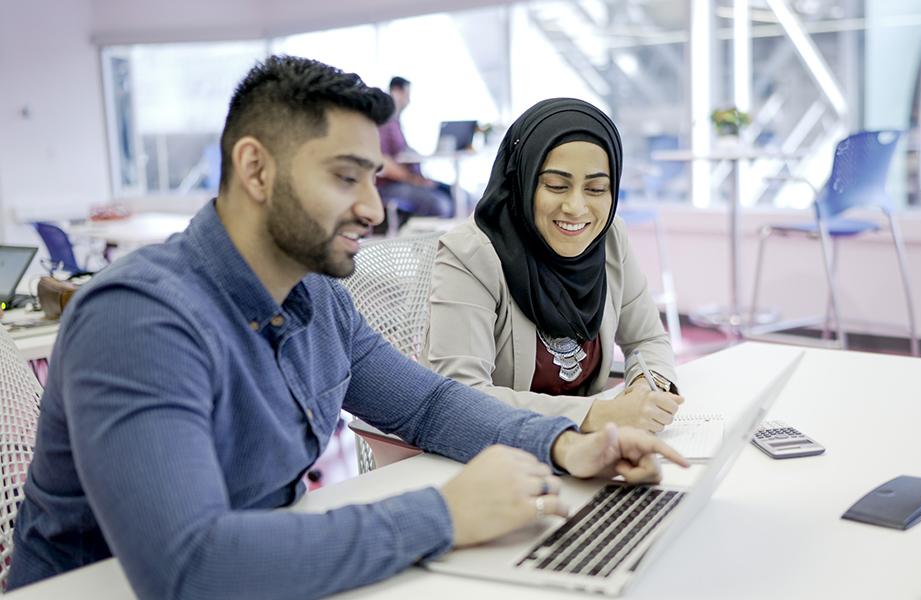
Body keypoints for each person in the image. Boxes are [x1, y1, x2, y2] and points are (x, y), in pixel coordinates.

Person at [6, 57, 688, 599]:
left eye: (372, 178)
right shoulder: (140, 321)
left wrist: (568, 445)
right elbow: (190, 569)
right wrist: (447, 514)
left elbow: (428, 404)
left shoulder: (317, 299)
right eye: (345, 177)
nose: (371, 207)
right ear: (256, 169)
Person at [420, 98, 683, 435]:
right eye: (556, 186)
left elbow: (647, 340)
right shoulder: (470, 255)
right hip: (486, 460)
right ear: (523, 180)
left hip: (583, 456)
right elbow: (461, 401)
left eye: (597, 189)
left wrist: (648, 388)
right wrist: (599, 414)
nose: (576, 207)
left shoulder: (608, 237)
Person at [375, 76, 453, 224]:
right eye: (407, 96)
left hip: (408, 180)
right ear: (396, 91)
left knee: (454, 193)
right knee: (442, 205)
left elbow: (403, 152)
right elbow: (382, 161)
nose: (408, 101)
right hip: (390, 185)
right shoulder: (383, 121)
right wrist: (412, 179)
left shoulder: (396, 122)